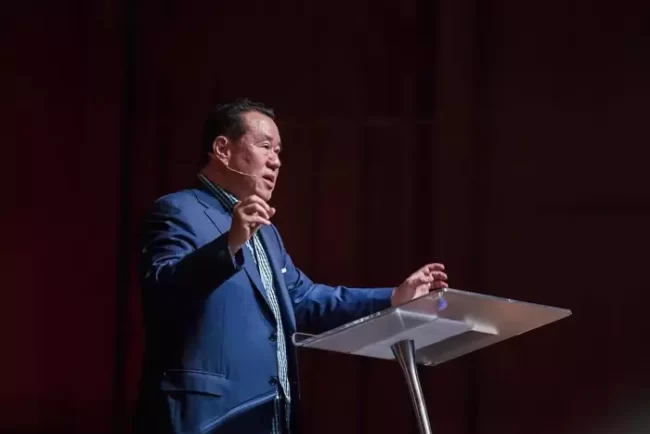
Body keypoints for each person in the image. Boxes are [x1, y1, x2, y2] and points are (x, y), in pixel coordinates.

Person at [133, 99, 449, 434]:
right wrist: (229, 245)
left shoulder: (266, 232)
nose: (275, 161)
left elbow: (303, 299)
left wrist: (394, 298)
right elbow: (163, 289)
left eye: (278, 151)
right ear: (223, 149)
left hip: (268, 416)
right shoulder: (178, 210)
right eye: (265, 146)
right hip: (206, 418)